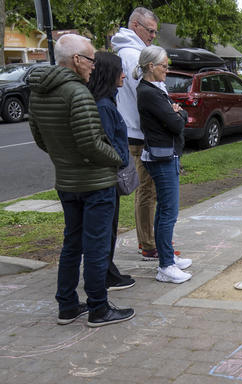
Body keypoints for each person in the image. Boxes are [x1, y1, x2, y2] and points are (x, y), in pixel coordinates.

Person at [27, 34, 135, 327]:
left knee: (72, 244)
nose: (93, 66)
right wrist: (118, 159)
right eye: (90, 59)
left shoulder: (38, 93)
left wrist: (65, 158)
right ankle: (99, 308)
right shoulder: (77, 94)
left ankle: (67, 306)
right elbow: (91, 144)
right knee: (97, 247)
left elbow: (40, 138)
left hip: (66, 182)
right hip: (95, 184)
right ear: (76, 60)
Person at [112, 7, 168, 261]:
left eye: (156, 31)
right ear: (135, 26)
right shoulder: (134, 56)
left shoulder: (126, 52)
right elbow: (148, 95)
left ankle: (149, 239)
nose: (154, 36)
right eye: (150, 30)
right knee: (147, 190)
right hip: (139, 133)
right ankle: (147, 243)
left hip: (135, 130)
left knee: (148, 189)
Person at [136, 46, 192, 283]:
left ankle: (167, 257)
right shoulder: (148, 92)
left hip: (166, 154)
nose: (167, 71)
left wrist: (178, 113)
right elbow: (177, 122)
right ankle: (166, 266)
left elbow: (180, 115)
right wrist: (177, 114)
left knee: (164, 211)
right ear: (151, 66)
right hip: (162, 157)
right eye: (163, 66)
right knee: (169, 211)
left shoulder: (157, 89)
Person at [87, 51, 136, 292]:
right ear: (110, 74)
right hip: (106, 177)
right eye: (120, 71)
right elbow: (106, 142)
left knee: (108, 229)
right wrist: (120, 159)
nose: (124, 75)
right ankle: (104, 275)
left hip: (108, 175)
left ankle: (108, 270)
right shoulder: (104, 106)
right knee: (105, 230)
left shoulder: (107, 100)